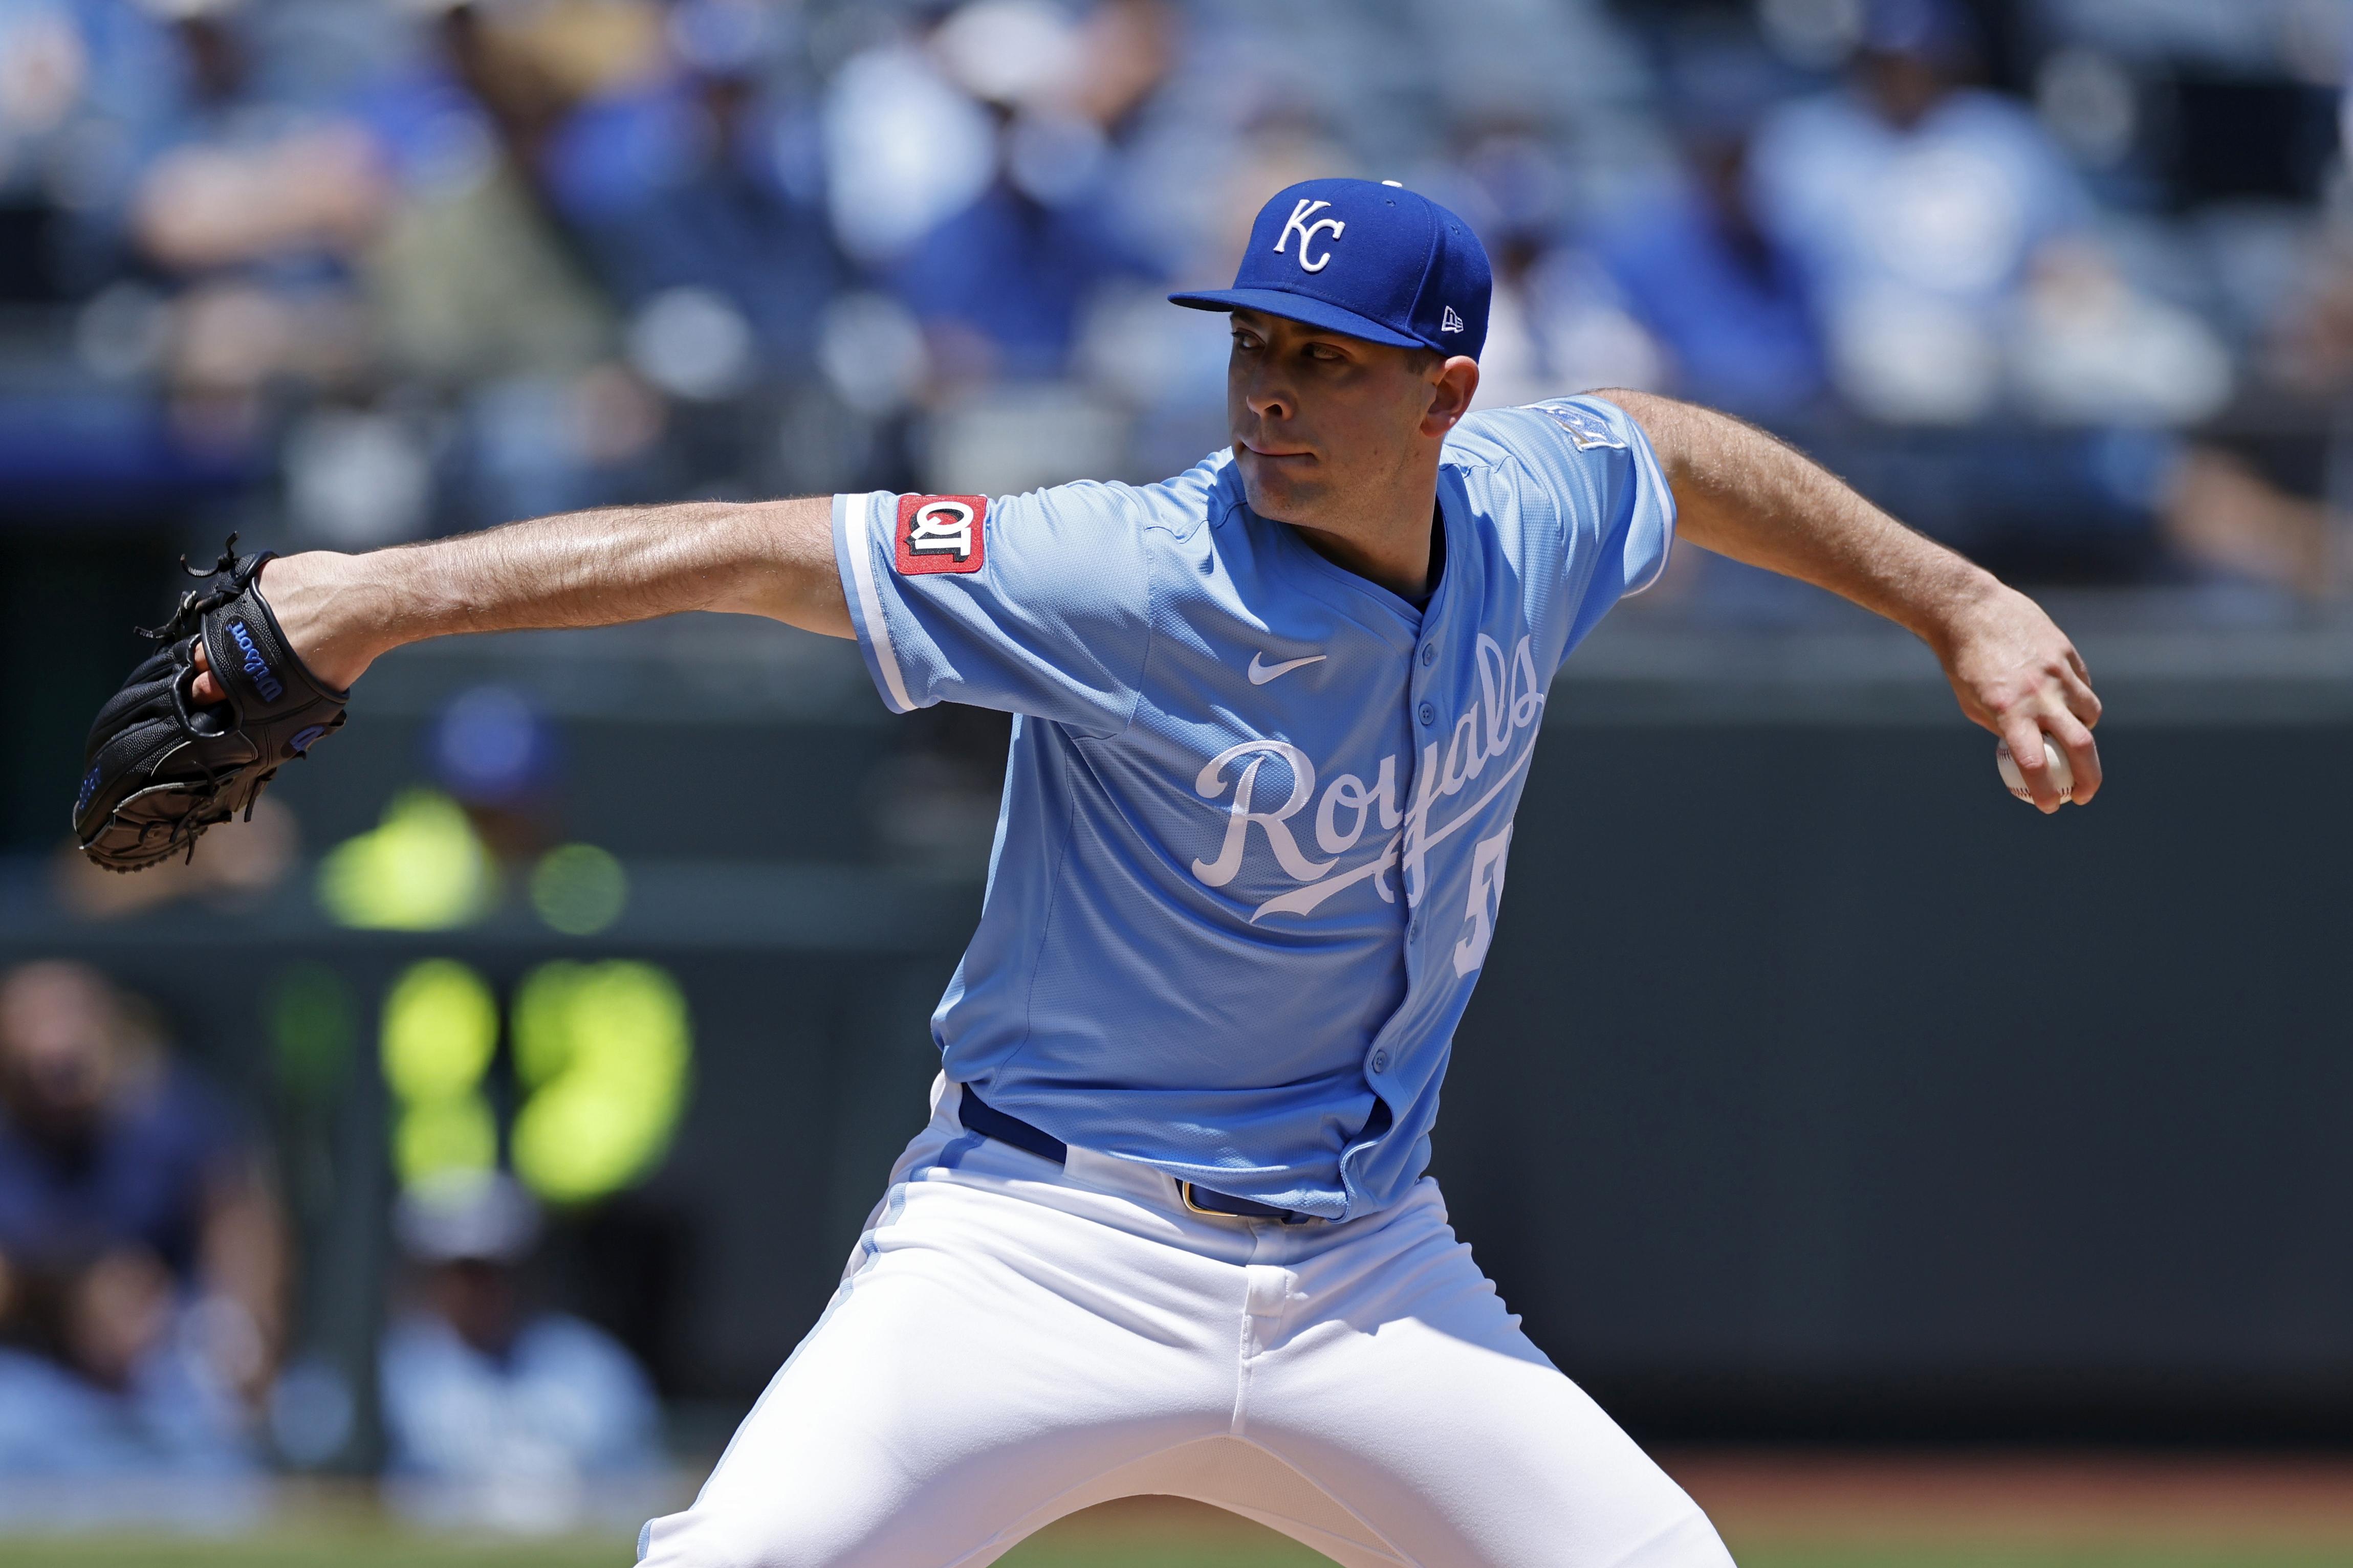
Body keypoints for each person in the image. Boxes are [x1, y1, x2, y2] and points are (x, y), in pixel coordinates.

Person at [185, 176, 2102, 1565]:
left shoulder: (1532, 506)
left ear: (1446, 398)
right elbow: (745, 547)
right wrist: (371, 596)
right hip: (1040, 1242)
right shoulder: (1128, 565)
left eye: (1325, 361)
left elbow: (1675, 449)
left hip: (1368, 1267)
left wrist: (1959, 600)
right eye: (1254, 343)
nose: (1267, 389)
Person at [380, 1171, 666, 1531]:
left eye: (494, 1270)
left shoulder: (592, 1366)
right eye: (464, 1271)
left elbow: (643, 1493)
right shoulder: (388, 1370)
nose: (478, 1289)